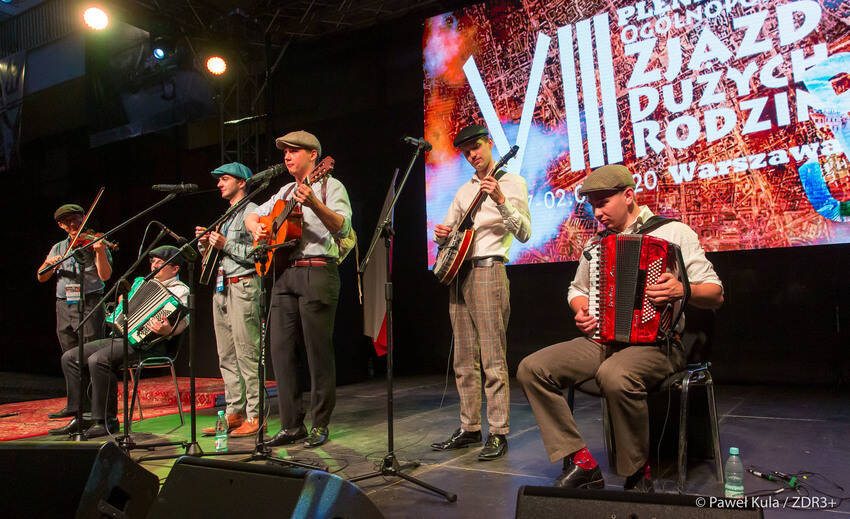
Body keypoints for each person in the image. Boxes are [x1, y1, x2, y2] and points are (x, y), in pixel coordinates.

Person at [516, 164, 724, 492]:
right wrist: (581, 308)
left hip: (659, 344)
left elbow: (715, 294)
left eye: (602, 203)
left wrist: (681, 289)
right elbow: (577, 289)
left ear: (628, 196)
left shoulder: (673, 233)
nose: (597, 213)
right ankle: (582, 462)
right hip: (603, 340)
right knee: (532, 368)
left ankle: (637, 473)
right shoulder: (596, 245)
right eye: (593, 206)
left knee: (614, 374)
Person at [245, 130, 352, 449]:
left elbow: (343, 228)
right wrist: (258, 227)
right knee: (280, 351)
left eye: (294, 151)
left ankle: (320, 423)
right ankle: (292, 425)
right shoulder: (285, 191)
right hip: (284, 274)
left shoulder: (331, 185)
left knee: (318, 352)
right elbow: (252, 213)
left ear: (313, 156)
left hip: (317, 271)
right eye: (285, 152)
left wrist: (315, 203)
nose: (287, 156)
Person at [430, 124, 531, 460]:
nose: (472, 155)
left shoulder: (512, 183)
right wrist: (441, 235)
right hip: (460, 274)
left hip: (489, 270)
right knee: (463, 360)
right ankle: (470, 427)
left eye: (476, 147)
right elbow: (449, 233)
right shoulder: (464, 191)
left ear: (489, 143)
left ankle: (498, 431)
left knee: (492, 358)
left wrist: (500, 200)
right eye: (466, 152)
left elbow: (524, 233)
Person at [49, 246, 189, 438]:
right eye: (153, 262)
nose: (154, 266)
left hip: (151, 344)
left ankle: (106, 420)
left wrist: (167, 330)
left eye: (160, 263)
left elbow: (183, 323)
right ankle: (82, 415)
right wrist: (124, 303)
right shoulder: (143, 283)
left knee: (99, 360)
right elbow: (127, 307)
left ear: (174, 269)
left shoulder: (181, 291)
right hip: (123, 337)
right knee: (71, 357)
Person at [195, 162, 265, 438]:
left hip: (244, 285)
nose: (219, 184)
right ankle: (234, 412)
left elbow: (260, 253)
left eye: (224, 179)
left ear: (241, 182)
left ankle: (255, 414)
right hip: (221, 288)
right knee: (226, 355)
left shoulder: (252, 211)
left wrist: (226, 244)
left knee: (247, 353)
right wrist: (206, 246)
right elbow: (218, 257)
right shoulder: (226, 216)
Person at [37, 204, 113, 419]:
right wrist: (49, 264)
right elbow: (41, 276)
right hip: (64, 304)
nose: (73, 224)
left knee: (91, 354)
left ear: (83, 218)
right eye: (67, 221)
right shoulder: (59, 247)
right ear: (61, 225)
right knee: (69, 355)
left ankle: (96, 407)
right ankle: (76, 405)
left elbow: (105, 276)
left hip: (89, 302)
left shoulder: (95, 243)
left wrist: (100, 251)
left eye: (76, 218)